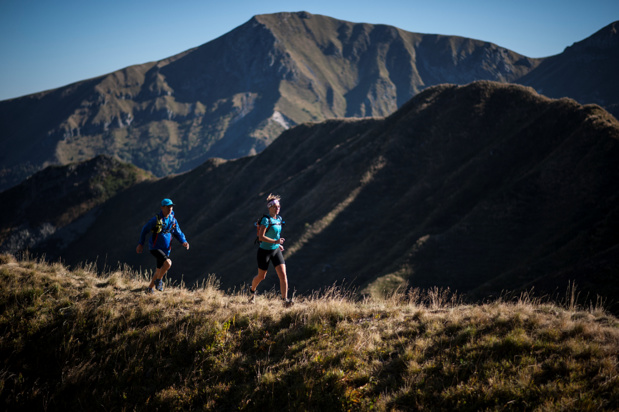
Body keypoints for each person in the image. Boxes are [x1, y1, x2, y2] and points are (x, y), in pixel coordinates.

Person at [136, 198, 189, 294]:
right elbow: (144, 230)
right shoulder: (155, 220)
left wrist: (184, 241)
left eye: (171, 206)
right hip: (155, 247)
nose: (170, 208)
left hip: (166, 249)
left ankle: (149, 289)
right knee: (168, 263)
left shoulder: (172, 220)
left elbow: (178, 232)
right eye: (168, 206)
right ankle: (159, 281)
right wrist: (141, 244)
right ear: (162, 207)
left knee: (159, 270)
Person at [249, 194, 294, 307]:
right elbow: (261, 237)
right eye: (275, 206)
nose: (277, 208)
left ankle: (285, 300)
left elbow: (276, 234)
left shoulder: (279, 219)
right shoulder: (266, 220)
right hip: (264, 251)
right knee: (261, 276)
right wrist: (275, 242)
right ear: (270, 207)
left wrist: (278, 245)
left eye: (278, 206)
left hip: (275, 250)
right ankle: (251, 291)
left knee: (283, 275)